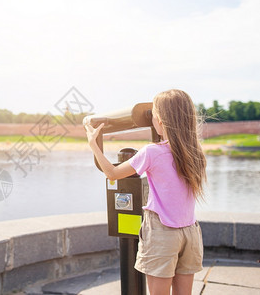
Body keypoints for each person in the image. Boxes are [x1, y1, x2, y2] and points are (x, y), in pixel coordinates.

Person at [85, 89, 206, 295]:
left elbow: (112, 173)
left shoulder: (152, 152)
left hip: (162, 234)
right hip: (191, 233)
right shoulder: (196, 152)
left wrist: (93, 144)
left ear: (159, 121)